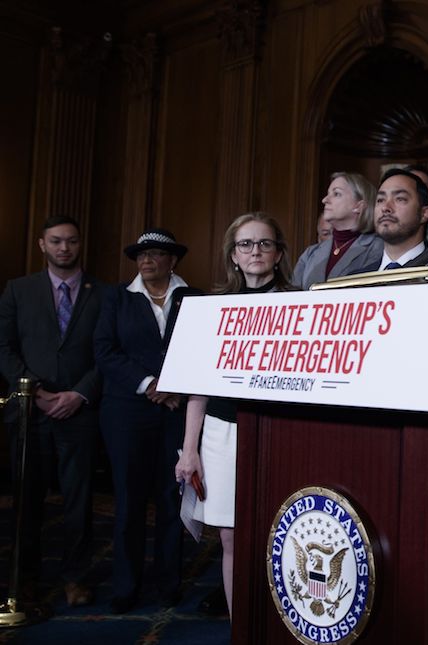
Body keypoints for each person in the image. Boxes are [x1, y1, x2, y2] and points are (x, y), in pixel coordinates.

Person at [174, 212, 296, 616]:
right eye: (246, 244)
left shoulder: (300, 303)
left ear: (278, 254)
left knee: (282, 532)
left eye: (264, 243)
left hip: (280, 431)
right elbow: (198, 388)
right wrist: (189, 450)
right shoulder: (214, 308)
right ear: (234, 256)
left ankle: (281, 626)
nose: (255, 251)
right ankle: (240, 628)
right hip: (221, 432)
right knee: (230, 535)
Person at [0, 215, 106, 607]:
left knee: (79, 502)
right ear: (42, 245)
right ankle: (23, 579)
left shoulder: (103, 294)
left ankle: (75, 578)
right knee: (27, 502)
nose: (65, 248)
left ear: (80, 245)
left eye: (72, 241)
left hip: (79, 413)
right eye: (57, 241)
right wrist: (37, 391)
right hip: (30, 412)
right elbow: (3, 348)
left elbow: (106, 353)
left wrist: (79, 394)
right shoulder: (18, 290)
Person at [94, 228, 200, 613]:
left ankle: (168, 584)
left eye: (156, 253)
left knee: (171, 500)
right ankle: (126, 585)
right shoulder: (116, 297)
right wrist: (151, 384)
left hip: (176, 415)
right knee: (129, 502)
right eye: (141, 254)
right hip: (125, 414)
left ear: (173, 260)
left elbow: (201, 351)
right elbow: (104, 351)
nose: (146, 260)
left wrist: (174, 388)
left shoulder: (195, 298)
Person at [292, 172, 384, 289]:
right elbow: (292, 296)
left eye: (336, 194)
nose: (325, 200)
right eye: (327, 194)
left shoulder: (378, 247)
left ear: (359, 206)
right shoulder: (310, 254)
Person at [356, 169, 428, 271]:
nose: (385, 208)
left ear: (424, 213)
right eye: (380, 200)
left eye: (400, 199)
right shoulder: (356, 281)